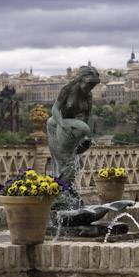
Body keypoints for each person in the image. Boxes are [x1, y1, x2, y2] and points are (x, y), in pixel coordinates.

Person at [46, 65, 100, 209]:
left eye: (93, 85)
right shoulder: (68, 89)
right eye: (89, 84)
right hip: (56, 124)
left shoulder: (88, 95)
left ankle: (67, 191)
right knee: (65, 162)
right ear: (81, 79)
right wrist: (62, 124)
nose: (91, 88)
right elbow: (55, 109)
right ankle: (60, 195)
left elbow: (89, 116)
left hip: (72, 127)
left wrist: (88, 136)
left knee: (77, 162)